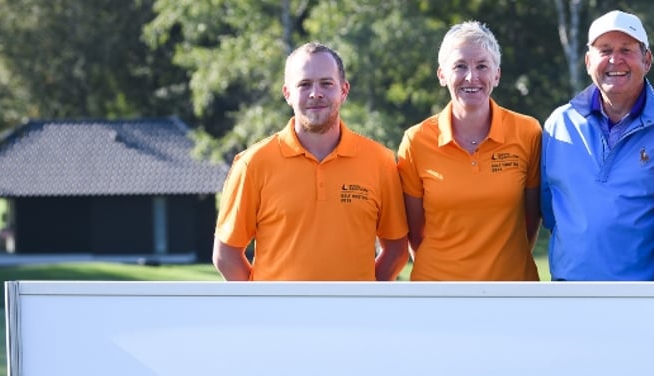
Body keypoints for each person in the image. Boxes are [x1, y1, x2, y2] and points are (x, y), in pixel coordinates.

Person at [213, 42, 409, 281]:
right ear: (287, 94)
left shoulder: (381, 161)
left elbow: (397, 251)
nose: (316, 93)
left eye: (326, 83)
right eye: (304, 84)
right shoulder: (252, 163)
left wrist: (363, 299)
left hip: (353, 317)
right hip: (279, 316)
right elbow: (226, 255)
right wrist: (263, 305)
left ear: (344, 90)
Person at [540, 10, 654, 281]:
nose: (615, 59)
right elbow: (551, 212)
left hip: (644, 298)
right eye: (605, 49)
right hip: (567, 297)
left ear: (647, 60)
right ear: (588, 61)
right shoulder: (558, 124)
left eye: (626, 49)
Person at [396, 21, 541, 281]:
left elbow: (531, 220)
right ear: (442, 75)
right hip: (438, 291)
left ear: (497, 74)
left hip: (512, 290)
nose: (471, 77)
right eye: (460, 66)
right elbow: (414, 233)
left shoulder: (528, 132)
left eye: (482, 66)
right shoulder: (416, 140)